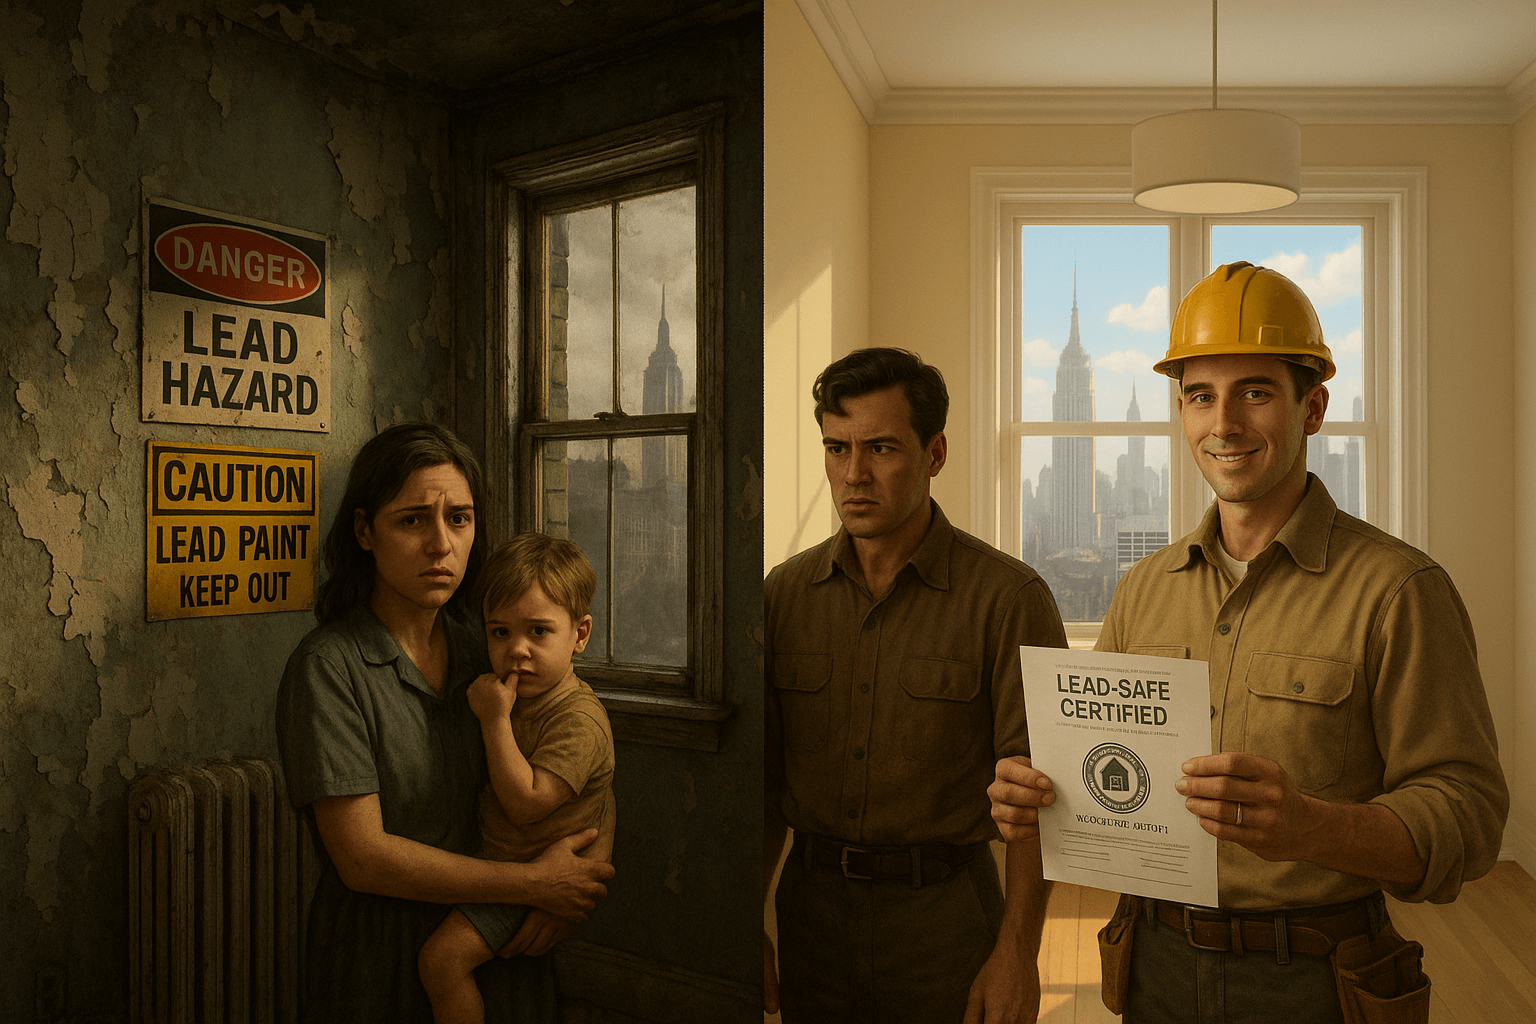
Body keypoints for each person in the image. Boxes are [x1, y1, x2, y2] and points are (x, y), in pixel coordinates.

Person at [988, 263, 1509, 1022]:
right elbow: (1101, 775)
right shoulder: (1143, 589)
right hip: (1152, 965)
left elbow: (1468, 820)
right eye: (1201, 396)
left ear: (1314, 407)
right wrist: (1040, 796)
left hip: (1316, 981)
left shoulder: (1399, 591)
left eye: (1255, 392)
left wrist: (1311, 826)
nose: (1223, 424)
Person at [763, 347, 1068, 1024]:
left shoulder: (1008, 599)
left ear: (934, 455)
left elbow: (1041, 799)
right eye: (836, 448)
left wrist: (1018, 953)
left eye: (879, 448)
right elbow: (762, 783)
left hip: (947, 920)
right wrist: (745, 921)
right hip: (811, 914)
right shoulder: (784, 595)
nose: (854, 474)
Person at [276, 423, 615, 1023]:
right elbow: (364, 858)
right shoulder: (328, 668)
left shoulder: (490, 650)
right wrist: (534, 886)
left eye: (459, 518)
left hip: (501, 947)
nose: (442, 544)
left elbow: (583, 770)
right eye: (413, 520)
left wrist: (577, 883)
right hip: (381, 956)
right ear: (364, 532)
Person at [418, 533, 617, 1024]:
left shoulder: (578, 719)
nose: (517, 650)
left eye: (539, 632)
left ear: (581, 633)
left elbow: (527, 804)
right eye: (500, 632)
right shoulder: (522, 696)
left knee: (441, 962)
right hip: (503, 865)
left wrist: (493, 721)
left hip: (531, 873)